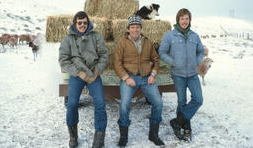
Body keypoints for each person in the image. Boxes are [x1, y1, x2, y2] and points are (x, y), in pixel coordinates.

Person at [59, 11, 109, 148]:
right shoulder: (67, 39)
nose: (82, 25)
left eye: (85, 22)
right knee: (72, 103)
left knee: (100, 103)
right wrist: (78, 73)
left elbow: (104, 54)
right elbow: (63, 60)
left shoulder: (96, 36)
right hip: (77, 75)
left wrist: (97, 71)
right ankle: (73, 136)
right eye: (79, 23)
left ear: (88, 23)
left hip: (93, 74)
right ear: (75, 24)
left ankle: (99, 137)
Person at [113, 15, 165, 147]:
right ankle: (123, 137)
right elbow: (117, 63)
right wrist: (126, 78)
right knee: (124, 105)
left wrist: (153, 74)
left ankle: (153, 134)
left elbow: (156, 59)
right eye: (132, 27)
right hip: (129, 77)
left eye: (137, 27)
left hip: (146, 77)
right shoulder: (122, 42)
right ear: (128, 29)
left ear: (141, 28)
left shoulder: (147, 42)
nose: (135, 29)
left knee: (158, 102)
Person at [159, 8, 204, 141]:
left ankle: (177, 121)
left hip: (192, 73)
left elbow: (200, 51)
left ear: (190, 20)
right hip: (178, 73)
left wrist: (197, 60)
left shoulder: (194, 36)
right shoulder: (169, 36)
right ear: (178, 20)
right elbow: (162, 52)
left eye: (187, 19)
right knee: (182, 101)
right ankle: (185, 128)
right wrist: (172, 62)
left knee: (198, 99)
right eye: (182, 18)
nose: (184, 21)